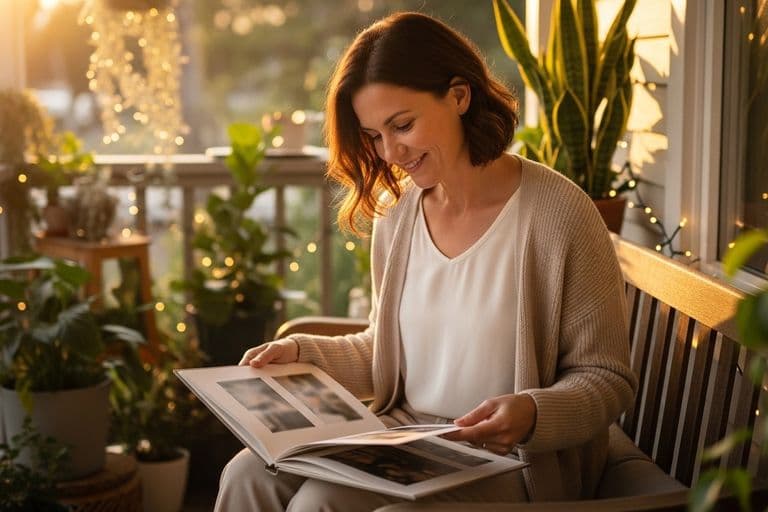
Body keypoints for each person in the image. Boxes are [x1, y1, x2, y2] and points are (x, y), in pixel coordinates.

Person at [214, 11, 637, 512]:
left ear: (460, 96)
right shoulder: (399, 216)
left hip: (511, 461)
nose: (390, 151)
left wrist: (531, 411)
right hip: (406, 437)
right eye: (373, 135)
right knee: (245, 476)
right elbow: (384, 350)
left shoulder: (559, 214)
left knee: (317, 507)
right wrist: (305, 354)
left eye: (403, 125)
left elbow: (607, 379)